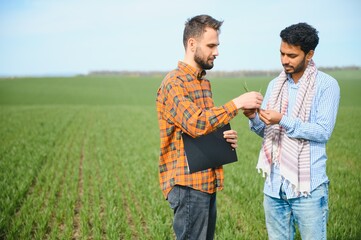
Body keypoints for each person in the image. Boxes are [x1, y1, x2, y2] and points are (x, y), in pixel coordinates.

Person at [156, 14, 263, 239]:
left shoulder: (203, 82)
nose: (216, 52)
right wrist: (237, 103)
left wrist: (223, 137)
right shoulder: (174, 84)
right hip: (187, 185)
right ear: (192, 44)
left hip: (206, 181)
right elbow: (196, 123)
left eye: (217, 45)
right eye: (211, 45)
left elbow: (205, 125)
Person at [243, 23, 340, 239]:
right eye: (282, 53)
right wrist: (253, 117)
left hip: (308, 189)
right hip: (274, 187)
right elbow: (266, 131)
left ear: (309, 54)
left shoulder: (326, 85)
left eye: (292, 55)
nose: (285, 60)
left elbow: (323, 131)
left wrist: (283, 120)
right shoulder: (275, 85)